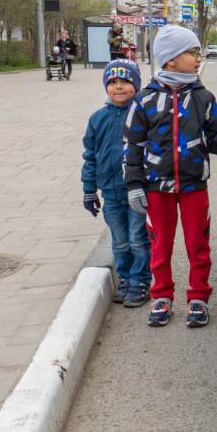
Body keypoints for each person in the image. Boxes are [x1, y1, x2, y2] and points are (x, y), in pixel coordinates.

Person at [123, 26, 217, 327]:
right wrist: (133, 186)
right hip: (156, 187)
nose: (197, 58)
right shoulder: (144, 100)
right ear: (169, 60)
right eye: (190, 53)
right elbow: (132, 145)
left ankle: (198, 299)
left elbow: (215, 135)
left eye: (196, 52)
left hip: (194, 185)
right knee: (160, 245)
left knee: (197, 244)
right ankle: (162, 297)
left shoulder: (202, 97)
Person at [82, 59, 152, 307]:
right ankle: (125, 278)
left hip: (137, 190)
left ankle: (141, 280)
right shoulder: (98, 119)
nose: (119, 87)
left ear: (136, 84)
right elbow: (90, 156)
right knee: (120, 240)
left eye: (125, 81)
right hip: (110, 192)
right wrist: (89, 189)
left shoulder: (143, 115)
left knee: (138, 238)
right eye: (113, 82)